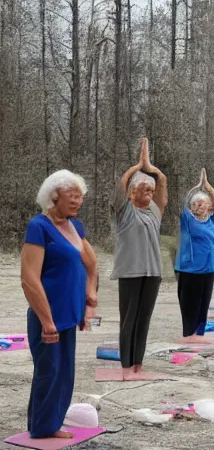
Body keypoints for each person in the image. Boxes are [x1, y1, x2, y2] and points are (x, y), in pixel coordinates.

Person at [21, 170, 98, 439]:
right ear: (54, 196)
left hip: (70, 313)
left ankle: (47, 425)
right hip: (48, 314)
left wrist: (89, 301)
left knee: (64, 373)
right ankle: (42, 428)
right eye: (72, 195)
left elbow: (91, 264)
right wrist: (46, 320)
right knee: (49, 371)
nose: (77, 201)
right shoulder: (38, 226)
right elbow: (29, 278)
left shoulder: (75, 227)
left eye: (80, 196)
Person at [112, 138, 168, 380]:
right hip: (130, 272)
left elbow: (163, 188)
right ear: (132, 192)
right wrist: (136, 167)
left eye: (151, 190)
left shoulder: (154, 213)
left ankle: (137, 365)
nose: (151, 192)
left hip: (152, 273)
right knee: (128, 321)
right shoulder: (124, 212)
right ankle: (125, 366)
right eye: (145, 189)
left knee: (144, 320)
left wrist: (152, 169)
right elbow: (118, 190)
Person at [175, 168, 214, 344]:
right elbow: (186, 202)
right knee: (189, 303)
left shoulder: (213, 221)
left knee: (204, 303)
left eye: (203, 203)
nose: (200, 206)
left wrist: (207, 186)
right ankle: (189, 334)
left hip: (209, 269)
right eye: (197, 204)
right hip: (190, 269)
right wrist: (196, 187)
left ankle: (199, 334)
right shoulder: (188, 220)